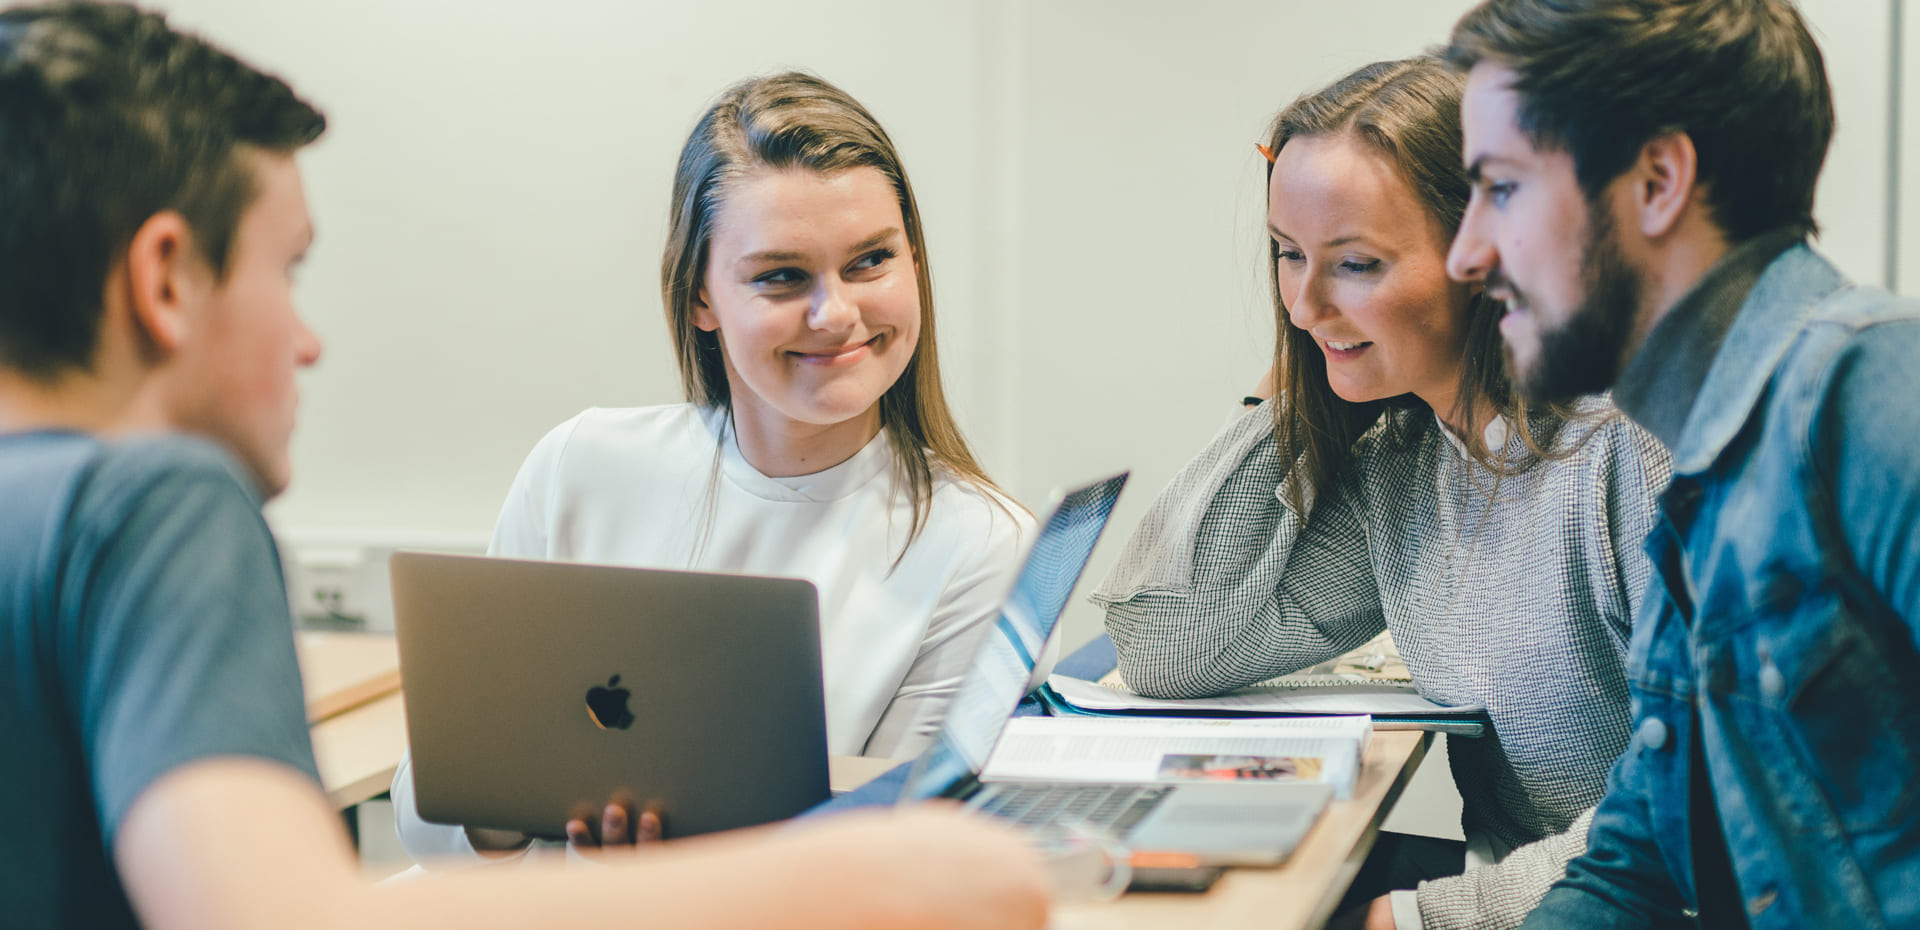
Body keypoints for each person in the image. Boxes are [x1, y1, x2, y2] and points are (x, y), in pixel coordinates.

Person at [0, 4, 1050, 929]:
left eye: (871, 259)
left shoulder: (970, 535)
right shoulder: (155, 511)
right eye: (291, 269)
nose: (312, 338)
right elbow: (285, 911)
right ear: (163, 277)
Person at [391, 69, 1036, 860]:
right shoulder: (582, 466)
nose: (835, 314)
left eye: (870, 261)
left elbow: (908, 854)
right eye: (781, 275)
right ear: (700, 296)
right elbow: (424, 816)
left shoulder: (984, 544)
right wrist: (511, 810)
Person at [1091, 56, 1670, 930]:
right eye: (1289, 256)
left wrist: (1424, 918)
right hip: (1535, 895)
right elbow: (1173, 646)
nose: (1303, 303)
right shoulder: (1410, 456)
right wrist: (1291, 388)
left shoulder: (1632, 443)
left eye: (1356, 263)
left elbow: (1697, 810)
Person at [1444, 1, 1920, 927]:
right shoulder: (1700, 494)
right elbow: (1636, 871)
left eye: (1501, 188)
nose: (1468, 253)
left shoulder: (1872, 393)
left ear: (1658, 180)